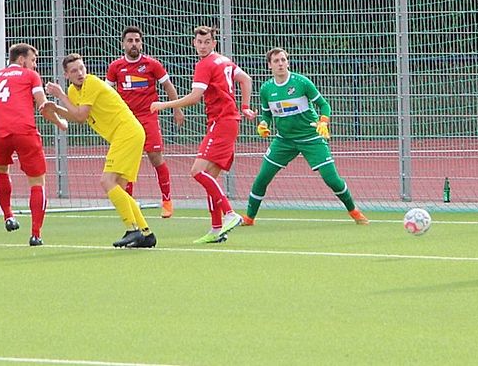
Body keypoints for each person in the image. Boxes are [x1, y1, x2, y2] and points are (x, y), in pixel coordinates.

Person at [150, 26, 256, 243]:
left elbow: (195, 97)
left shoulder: (204, 65)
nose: (203, 46)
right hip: (228, 121)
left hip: (222, 122)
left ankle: (229, 213)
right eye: (200, 42)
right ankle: (216, 229)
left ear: (213, 43)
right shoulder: (224, 60)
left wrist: (164, 105)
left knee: (197, 171)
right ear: (194, 43)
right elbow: (246, 79)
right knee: (211, 177)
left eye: (207, 42)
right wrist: (244, 106)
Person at [43, 53, 156, 248]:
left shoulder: (92, 82)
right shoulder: (73, 90)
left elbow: (80, 115)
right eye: (74, 71)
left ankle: (132, 229)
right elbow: (78, 116)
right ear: (66, 74)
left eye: (81, 68)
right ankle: (146, 233)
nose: (80, 73)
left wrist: (59, 95)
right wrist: (55, 109)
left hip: (127, 132)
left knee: (106, 181)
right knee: (118, 187)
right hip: (128, 133)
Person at [244, 48, 368, 226]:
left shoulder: (301, 82)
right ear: (269, 65)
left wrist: (323, 121)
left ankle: (354, 211)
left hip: (310, 137)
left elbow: (324, 105)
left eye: (283, 60)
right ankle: (249, 218)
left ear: (288, 62)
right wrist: (264, 125)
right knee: (262, 178)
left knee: (332, 179)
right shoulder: (266, 89)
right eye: (276, 61)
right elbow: (267, 115)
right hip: (284, 140)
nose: (281, 64)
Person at [0, 43, 67, 246]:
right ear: (21, 60)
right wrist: (60, 122)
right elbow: (43, 106)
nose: (35, 66)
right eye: (33, 60)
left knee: (0, 171)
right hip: (24, 132)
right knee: (37, 182)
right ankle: (36, 234)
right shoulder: (30, 76)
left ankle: (8, 216)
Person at [105, 26, 184, 218]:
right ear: (123, 43)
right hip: (126, 119)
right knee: (128, 162)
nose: (134, 44)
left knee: (156, 157)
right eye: (130, 40)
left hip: (148, 116)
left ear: (142, 43)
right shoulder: (115, 67)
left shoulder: (152, 64)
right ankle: (129, 203)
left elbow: (167, 85)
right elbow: (106, 93)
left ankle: (167, 200)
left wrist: (176, 108)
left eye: (137, 41)